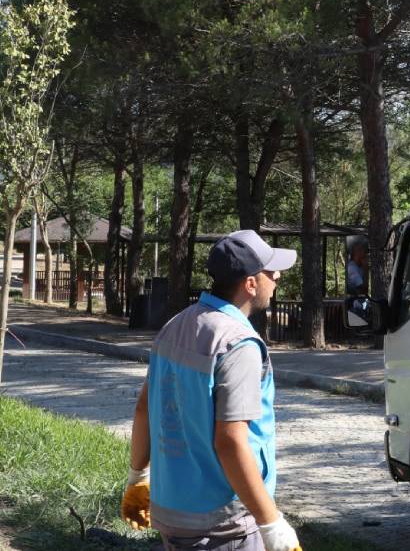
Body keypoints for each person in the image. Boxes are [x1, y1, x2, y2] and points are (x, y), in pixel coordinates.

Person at [121, 230, 303, 551]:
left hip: (173, 515)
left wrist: (138, 478)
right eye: (270, 272)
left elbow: (143, 409)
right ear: (250, 283)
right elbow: (230, 442)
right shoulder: (238, 343)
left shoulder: (174, 326)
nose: (276, 278)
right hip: (224, 527)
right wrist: (271, 523)